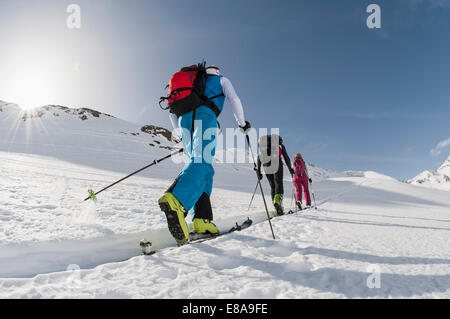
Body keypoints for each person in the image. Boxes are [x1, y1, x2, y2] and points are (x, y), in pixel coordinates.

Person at [158, 63, 251, 245]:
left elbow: (171, 113)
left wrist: (179, 133)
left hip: (184, 119)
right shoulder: (220, 80)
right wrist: (242, 123)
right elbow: (235, 100)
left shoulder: (190, 84)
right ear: (216, 71)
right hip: (205, 115)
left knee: (204, 168)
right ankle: (176, 199)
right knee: (201, 161)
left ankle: (202, 219)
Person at [256, 134, 294, 216]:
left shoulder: (264, 146)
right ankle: (278, 202)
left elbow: (259, 157)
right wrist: (290, 169)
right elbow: (286, 158)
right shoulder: (280, 146)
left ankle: (275, 205)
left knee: (273, 186)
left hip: (266, 164)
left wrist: (258, 171)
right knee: (278, 182)